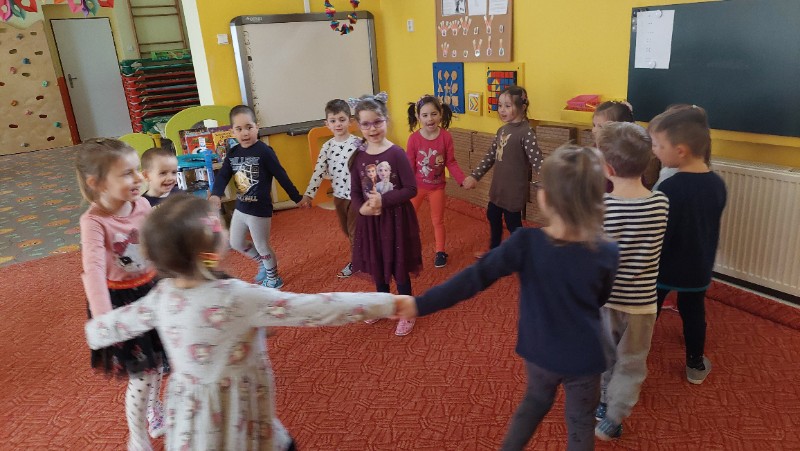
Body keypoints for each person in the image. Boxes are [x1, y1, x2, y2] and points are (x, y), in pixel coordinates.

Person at [84, 194, 400, 451]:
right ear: (213, 246)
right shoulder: (238, 296)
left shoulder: (162, 295)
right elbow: (317, 308)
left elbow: (109, 328)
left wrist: (96, 328)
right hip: (240, 416)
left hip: (190, 424)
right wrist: (390, 303)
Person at [395, 145, 619, 451]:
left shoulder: (525, 242)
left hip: (540, 352)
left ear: (544, 198)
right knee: (580, 421)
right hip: (586, 356)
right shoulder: (607, 251)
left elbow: (474, 278)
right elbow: (601, 298)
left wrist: (421, 304)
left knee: (534, 403)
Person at [75, 138, 166, 450]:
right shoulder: (94, 222)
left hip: (151, 291)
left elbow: (154, 243)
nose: (139, 178)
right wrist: (105, 321)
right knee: (141, 375)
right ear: (97, 183)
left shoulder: (142, 204)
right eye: (127, 173)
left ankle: (155, 408)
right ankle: (137, 437)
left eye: (137, 170)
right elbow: (94, 270)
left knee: (159, 363)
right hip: (121, 303)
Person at [593, 122, 670, 441]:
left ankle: (602, 402)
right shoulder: (661, 203)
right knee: (632, 362)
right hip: (642, 305)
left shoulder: (602, 207)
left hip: (607, 301)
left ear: (608, 168)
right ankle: (614, 416)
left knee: (604, 354)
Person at [649, 104, 727, 385]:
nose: (654, 151)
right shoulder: (717, 184)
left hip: (664, 267)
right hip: (698, 267)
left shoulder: (668, 188)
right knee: (694, 311)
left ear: (680, 150)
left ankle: (632, 350)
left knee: (650, 310)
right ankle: (695, 363)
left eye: (659, 145)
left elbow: (659, 233)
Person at [350, 93, 423, 336]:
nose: (372, 129)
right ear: (358, 125)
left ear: (386, 120)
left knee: (399, 265)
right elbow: (355, 191)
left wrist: (384, 199)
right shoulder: (358, 155)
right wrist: (361, 208)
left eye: (377, 122)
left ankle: (406, 311)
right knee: (378, 263)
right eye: (366, 124)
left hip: (396, 221)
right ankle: (382, 306)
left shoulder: (396, 153)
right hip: (371, 222)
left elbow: (411, 189)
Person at [209, 105, 303, 289]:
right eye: (239, 129)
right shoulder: (233, 153)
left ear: (257, 127)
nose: (245, 133)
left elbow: (281, 175)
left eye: (249, 127)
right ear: (233, 131)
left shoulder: (265, 151)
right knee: (236, 242)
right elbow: (223, 176)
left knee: (262, 245)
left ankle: (274, 278)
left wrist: (296, 197)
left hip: (259, 210)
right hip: (241, 207)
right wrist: (216, 194)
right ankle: (263, 263)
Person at [462, 85, 543, 253]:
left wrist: (548, 182)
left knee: (513, 224)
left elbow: (537, 161)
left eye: (507, 105)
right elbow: (490, 156)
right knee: (493, 215)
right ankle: (495, 250)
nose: (502, 110)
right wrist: (475, 176)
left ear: (522, 106)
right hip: (498, 187)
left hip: (514, 190)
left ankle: (522, 254)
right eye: (500, 105)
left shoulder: (527, 133)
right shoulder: (502, 130)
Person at [297, 99, 363, 278]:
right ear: (327, 124)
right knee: (347, 230)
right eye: (333, 121)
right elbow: (318, 172)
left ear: (350, 121)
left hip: (357, 196)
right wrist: (309, 195)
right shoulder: (327, 147)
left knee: (354, 232)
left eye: (342, 119)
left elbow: (369, 166)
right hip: (339, 197)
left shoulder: (359, 143)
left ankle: (358, 261)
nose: (338, 124)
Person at [406, 95, 466, 268]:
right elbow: (409, 165)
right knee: (407, 218)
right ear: (418, 117)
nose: (429, 119)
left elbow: (451, 162)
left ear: (440, 114)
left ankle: (440, 251)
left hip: (437, 188)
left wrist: (461, 180)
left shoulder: (446, 137)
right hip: (417, 187)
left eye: (433, 114)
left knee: (437, 221)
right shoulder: (414, 139)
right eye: (425, 115)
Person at [592, 100, 661, 190]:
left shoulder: (628, 151)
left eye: (601, 126)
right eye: (594, 125)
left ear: (620, 130)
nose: (594, 130)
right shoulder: (596, 146)